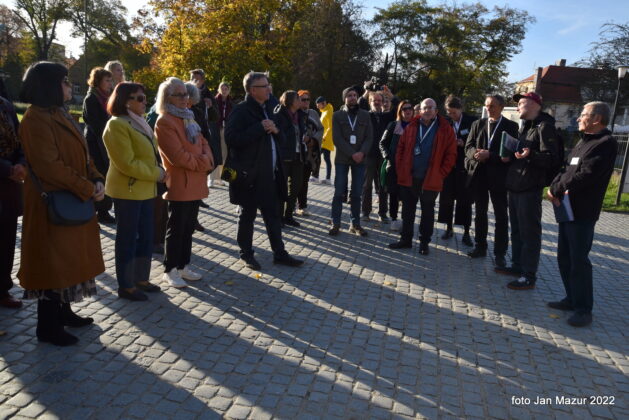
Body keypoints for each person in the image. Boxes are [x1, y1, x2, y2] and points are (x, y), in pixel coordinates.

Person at [19, 62, 105, 346]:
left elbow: (83, 154)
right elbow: (50, 167)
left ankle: (64, 312)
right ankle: (47, 326)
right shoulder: (35, 119)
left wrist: (96, 178)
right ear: (50, 86)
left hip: (71, 197)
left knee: (68, 262)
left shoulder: (59, 113)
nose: (69, 86)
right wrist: (86, 188)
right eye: (65, 81)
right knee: (52, 265)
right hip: (51, 202)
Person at [547, 102, 617, 327]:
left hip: (582, 211)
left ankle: (584, 309)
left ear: (596, 119)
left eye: (583, 114)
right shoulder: (583, 141)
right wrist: (554, 186)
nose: (578, 118)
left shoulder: (605, 143)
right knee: (565, 257)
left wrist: (557, 189)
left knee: (579, 260)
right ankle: (571, 298)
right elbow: (567, 169)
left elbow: (586, 175)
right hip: (566, 207)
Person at [224, 71, 303, 270]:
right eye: (264, 86)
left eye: (268, 85)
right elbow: (231, 139)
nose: (269, 89)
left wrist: (276, 131)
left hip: (271, 174)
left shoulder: (270, 108)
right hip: (250, 175)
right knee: (247, 216)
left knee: (273, 216)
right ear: (252, 90)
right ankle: (246, 254)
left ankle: (280, 254)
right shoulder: (241, 110)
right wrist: (259, 128)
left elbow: (283, 139)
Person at [103, 82, 166, 301]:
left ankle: (141, 278)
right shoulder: (117, 124)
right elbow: (126, 163)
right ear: (125, 101)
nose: (144, 101)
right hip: (128, 190)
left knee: (146, 237)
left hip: (146, 188)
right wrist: (157, 173)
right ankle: (126, 285)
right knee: (128, 239)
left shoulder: (140, 121)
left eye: (145, 97)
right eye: (139, 98)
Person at [498, 92, 561, 290]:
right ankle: (517, 266)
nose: (517, 107)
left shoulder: (545, 127)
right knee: (517, 230)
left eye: (521, 103)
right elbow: (523, 155)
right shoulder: (526, 127)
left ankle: (528, 275)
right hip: (515, 186)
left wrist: (531, 154)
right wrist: (511, 155)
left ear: (534, 104)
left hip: (530, 188)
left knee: (529, 233)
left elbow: (552, 159)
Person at [155, 77, 214, 288]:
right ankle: (169, 269)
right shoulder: (165, 121)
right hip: (180, 182)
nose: (184, 98)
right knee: (176, 227)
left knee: (188, 227)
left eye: (185, 94)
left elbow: (204, 143)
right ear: (167, 97)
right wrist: (203, 163)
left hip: (195, 180)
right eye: (178, 95)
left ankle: (183, 265)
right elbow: (177, 156)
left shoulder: (189, 117)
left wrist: (205, 159)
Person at [389, 98, 456, 255]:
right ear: (419, 110)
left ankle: (424, 243)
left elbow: (451, 154)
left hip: (431, 178)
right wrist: (401, 168)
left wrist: (441, 173)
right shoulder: (412, 126)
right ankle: (406, 239)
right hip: (410, 177)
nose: (427, 110)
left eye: (430, 108)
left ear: (436, 111)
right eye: (424, 108)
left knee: (427, 212)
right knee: (407, 210)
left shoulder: (445, 129)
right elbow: (400, 148)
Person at [464, 95, 519, 267]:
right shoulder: (478, 124)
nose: (488, 109)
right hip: (479, 175)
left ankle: (500, 253)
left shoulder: (511, 126)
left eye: (492, 106)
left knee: (501, 215)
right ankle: (480, 246)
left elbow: (511, 153)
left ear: (501, 107)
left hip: (499, 177)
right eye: (487, 105)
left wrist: (490, 155)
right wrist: (475, 154)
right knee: (480, 213)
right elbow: (468, 146)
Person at [329, 86, 373, 237]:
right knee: (339, 192)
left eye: (354, 95)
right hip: (342, 159)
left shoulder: (365, 115)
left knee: (356, 193)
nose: (353, 97)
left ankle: (355, 224)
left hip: (360, 160)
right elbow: (337, 138)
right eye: (349, 95)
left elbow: (369, 137)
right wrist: (352, 153)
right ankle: (335, 223)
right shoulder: (337, 115)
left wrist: (361, 153)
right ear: (344, 99)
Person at [438, 95, 477, 244]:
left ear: (460, 109)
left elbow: (476, 141)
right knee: (447, 199)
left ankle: (466, 232)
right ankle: (448, 228)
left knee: (465, 200)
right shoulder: (445, 122)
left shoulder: (471, 121)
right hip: (448, 166)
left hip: (464, 167)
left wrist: (463, 142)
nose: (451, 115)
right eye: (449, 112)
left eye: (454, 112)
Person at [0, 91, 25, 309]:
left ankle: (2, 289)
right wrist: (8, 169)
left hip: (9, 186)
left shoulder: (6, 105)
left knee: (6, 239)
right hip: (5, 173)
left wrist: (20, 164)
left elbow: (20, 142)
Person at [83, 67, 115, 224]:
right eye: (107, 80)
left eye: (110, 80)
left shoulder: (107, 97)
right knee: (99, 175)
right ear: (98, 81)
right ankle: (95, 211)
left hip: (106, 142)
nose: (110, 83)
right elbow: (95, 124)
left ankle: (104, 210)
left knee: (107, 175)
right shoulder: (91, 98)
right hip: (95, 144)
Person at [380, 100, 414, 232]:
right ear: (400, 111)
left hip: (410, 168)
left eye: (409, 108)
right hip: (393, 167)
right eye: (404, 109)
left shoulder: (417, 126)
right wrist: (388, 157)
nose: (407, 111)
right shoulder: (393, 125)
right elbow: (382, 143)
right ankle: (394, 219)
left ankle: (406, 220)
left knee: (407, 195)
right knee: (393, 194)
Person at [274, 90, 305, 227]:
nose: (300, 101)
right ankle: (279, 217)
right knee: (282, 187)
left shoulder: (300, 115)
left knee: (296, 187)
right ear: (291, 101)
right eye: (298, 98)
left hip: (299, 155)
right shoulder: (279, 114)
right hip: (284, 156)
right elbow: (278, 134)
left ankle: (289, 216)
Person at [363, 91, 393, 222]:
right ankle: (365, 212)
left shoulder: (387, 117)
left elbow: (398, 106)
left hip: (383, 156)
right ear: (369, 102)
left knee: (383, 185)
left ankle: (383, 213)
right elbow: (359, 104)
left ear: (382, 103)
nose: (376, 102)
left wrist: (390, 95)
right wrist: (366, 92)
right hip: (368, 155)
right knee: (366, 185)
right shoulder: (365, 116)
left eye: (379, 100)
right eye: (373, 100)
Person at [190, 69, 222, 188]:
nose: (193, 81)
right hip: (189, 134)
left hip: (204, 135)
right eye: (192, 78)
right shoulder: (186, 92)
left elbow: (216, 117)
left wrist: (210, 107)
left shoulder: (208, 95)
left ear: (203, 80)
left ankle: (200, 189)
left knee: (206, 162)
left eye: (196, 79)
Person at [296, 90, 323, 216]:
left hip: (310, 154)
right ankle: (290, 206)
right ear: (297, 100)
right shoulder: (294, 113)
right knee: (295, 181)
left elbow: (320, 129)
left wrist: (313, 140)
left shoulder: (313, 113)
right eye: (303, 99)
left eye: (308, 99)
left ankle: (303, 206)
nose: (306, 102)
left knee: (304, 181)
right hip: (297, 152)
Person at [214, 81, 233, 182]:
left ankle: (220, 178)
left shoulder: (231, 102)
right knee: (216, 152)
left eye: (226, 89)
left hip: (227, 129)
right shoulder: (215, 101)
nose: (224, 91)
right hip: (217, 129)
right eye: (222, 89)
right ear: (219, 89)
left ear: (229, 90)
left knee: (225, 154)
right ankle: (213, 178)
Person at [316, 96, 334, 184]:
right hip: (324, 139)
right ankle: (327, 179)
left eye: (318, 105)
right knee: (326, 158)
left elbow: (330, 126)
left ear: (323, 103)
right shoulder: (324, 111)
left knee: (316, 156)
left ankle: (315, 176)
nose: (317, 107)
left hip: (325, 140)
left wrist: (324, 137)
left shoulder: (328, 112)